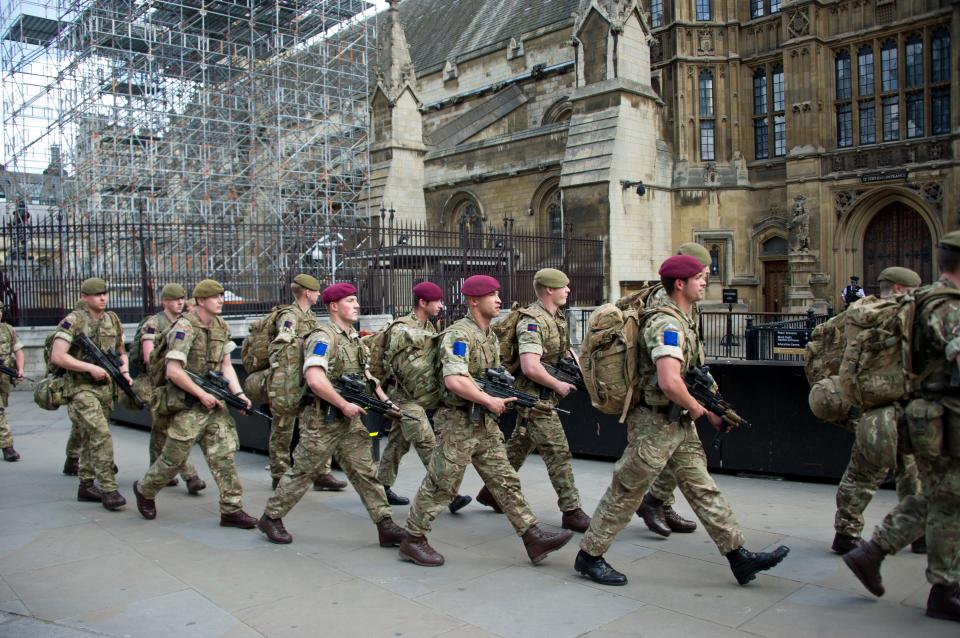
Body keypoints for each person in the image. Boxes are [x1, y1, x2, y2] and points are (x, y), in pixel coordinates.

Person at [575, 255, 789, 586]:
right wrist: (700, 410)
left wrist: (709, 408)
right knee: (627, 489)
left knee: (702, 487)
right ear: (680, 283)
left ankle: (738, 555)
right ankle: (589, 555)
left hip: (676, 420)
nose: (705, 282)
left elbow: (691, 375)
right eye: (699, 277)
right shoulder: (666, 324)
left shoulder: (683, 317)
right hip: (654, 423)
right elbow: (669, 381)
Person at [398, 275, 574, 567]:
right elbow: (454, 380)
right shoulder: (459, 335)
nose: (499, 300)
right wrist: (488, 400)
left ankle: (532, 536)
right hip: (458, 423)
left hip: (483, 423)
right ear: (473, 301)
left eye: (497, 294)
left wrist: (497, 397)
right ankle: (412, 539)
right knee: (442, 485)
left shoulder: (489, 335)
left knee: (505, 481)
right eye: (492, 295)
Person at [843, 233, 960, 622]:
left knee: (939, 494)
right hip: (942, 416)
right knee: (945, 496)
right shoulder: (946, 306)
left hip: (928, 414)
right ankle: (943, 587)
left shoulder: (921, 299)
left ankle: (874, 552)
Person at [256, 282, 406, 548]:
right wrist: (343, 404)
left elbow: (367, 377)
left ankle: (385, 524)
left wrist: (386, 402)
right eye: (350, 301)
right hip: (322, 420)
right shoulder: (323, 337)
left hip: (347, 420)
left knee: (365, 473)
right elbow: (314, 379)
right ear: (334, 306)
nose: (356, 305)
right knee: (302, 472)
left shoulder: (352, 338)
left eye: (356, 300)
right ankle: (271, 517)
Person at [133, 279, 257, 529]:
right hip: (186, 403)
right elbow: (174, 371)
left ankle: (232, 509)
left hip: (212, 402)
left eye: (222, 295)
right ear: (201, 300)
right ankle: (145, 489)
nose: (220, 300)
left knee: (224, 455)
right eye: (215, 296)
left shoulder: (221, 326)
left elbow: (225, 366)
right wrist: (201, 395)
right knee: (173, 459)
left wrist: (239, 395)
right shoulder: (185, 327)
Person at [476, 268, 590, 532]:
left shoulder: (556, 317)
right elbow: (530, 366)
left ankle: (492, 492)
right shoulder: (532, 321)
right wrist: (559, 384)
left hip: (544, 394)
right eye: (564, 286)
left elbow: (563, 350)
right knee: (557, 451)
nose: (568, 290)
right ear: (549, 290)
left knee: (521, 443)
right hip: (534, 398)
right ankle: (571, 509)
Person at [831, 267, 922, 555]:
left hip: (868, 405)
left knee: (863, 472)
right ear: (898, 289)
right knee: (912, 473)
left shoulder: (857, 313)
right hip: (902, 403)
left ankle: (846, 531)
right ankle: (920, 533)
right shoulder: (903, 316)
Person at [376, 281, 471, 513]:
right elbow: (404, 352)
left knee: (397, 444)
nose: (441, 305)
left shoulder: (429, 324)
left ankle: (379, 488)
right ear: (422, 302)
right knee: (427, 441)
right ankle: (449, 494)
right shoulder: (402, 327)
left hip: (419, 396)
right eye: (437, 301)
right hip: (402, 397)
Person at [636, 242, 711, 537]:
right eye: (701, 274)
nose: (705, 279)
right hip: (656, 395)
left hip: (677, 389)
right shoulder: (663, 303)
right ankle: (653, 503)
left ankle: (658, 503)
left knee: (682, 458)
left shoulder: (689, 302)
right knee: (638, 471)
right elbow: (664, 355)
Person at [49, 277, 128, 510]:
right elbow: (58, 356)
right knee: (101, 434)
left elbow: (121, 352)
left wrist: (123, 371)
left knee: (89, 437)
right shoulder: (72, 320)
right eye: (96, 294)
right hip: (80, 389)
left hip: (105, 389)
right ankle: (109, 489)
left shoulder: (112, 319)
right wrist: (90, 367)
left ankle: (85, 485)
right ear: (84, 297)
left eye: (104, 293)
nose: (102, 298)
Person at [267, 273, 347, 492]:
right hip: (288, 382)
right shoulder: (289, 316)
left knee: (314, 427)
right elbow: (281, 348)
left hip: (307, 378)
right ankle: (279, 473)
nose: (319, 294)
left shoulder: (311, 317)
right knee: (283, 427)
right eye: (317, 291)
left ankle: (321, 473)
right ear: (307, 293)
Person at [133, 283, 206, 494]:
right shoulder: (154, 323)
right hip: (158, 384)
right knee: (168, 429)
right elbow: (148, 356)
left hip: (178, 383)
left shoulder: (186, 322)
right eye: (175, 299)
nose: (180, 302)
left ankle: (156, 473)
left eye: (182, 298)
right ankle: (190, 475)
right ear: (165, 301)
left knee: (163, 430)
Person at [0, 300, 25, 462]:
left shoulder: (8, 330)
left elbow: (18, 351)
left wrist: (20, 369)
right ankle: (7, 446)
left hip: (4, 377)